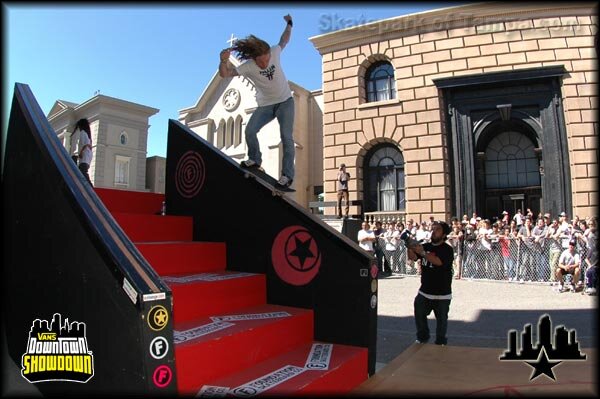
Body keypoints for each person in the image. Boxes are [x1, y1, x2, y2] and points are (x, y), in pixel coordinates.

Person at [218, 14, 295, 188]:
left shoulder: (274, 52)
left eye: (267, 60)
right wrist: (223, 61)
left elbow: (284, 40)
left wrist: (290, 24)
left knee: (286, 137)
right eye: (261, 62)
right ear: (254, 59)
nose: (265, 64)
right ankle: (255, 159)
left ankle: (287, 176)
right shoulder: (247, 67)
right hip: (265, 105)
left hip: (285, 101)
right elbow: (225, 74)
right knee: (250, 130)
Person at [407, 221, 454, 346]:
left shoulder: (447, 249)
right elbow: (413, 258)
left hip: (442, 293)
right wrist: (410, 246)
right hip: (425, 291)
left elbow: (438, 262)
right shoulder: (426, 246)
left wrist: (422, 253)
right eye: (432, 229)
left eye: (437, 229)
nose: (433, 231)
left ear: (444, 234)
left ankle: (440, 341)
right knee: (419, 312)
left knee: (442, 320)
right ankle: (422, 337)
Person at [74, 118, 93, 186]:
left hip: (85, 156)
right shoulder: (88, 135)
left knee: (83, 172)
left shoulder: (82, 133)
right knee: (83, 171)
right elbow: (89, 145)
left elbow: (86, 144)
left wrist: (81, 152)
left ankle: (89, 186)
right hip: (88, 157)